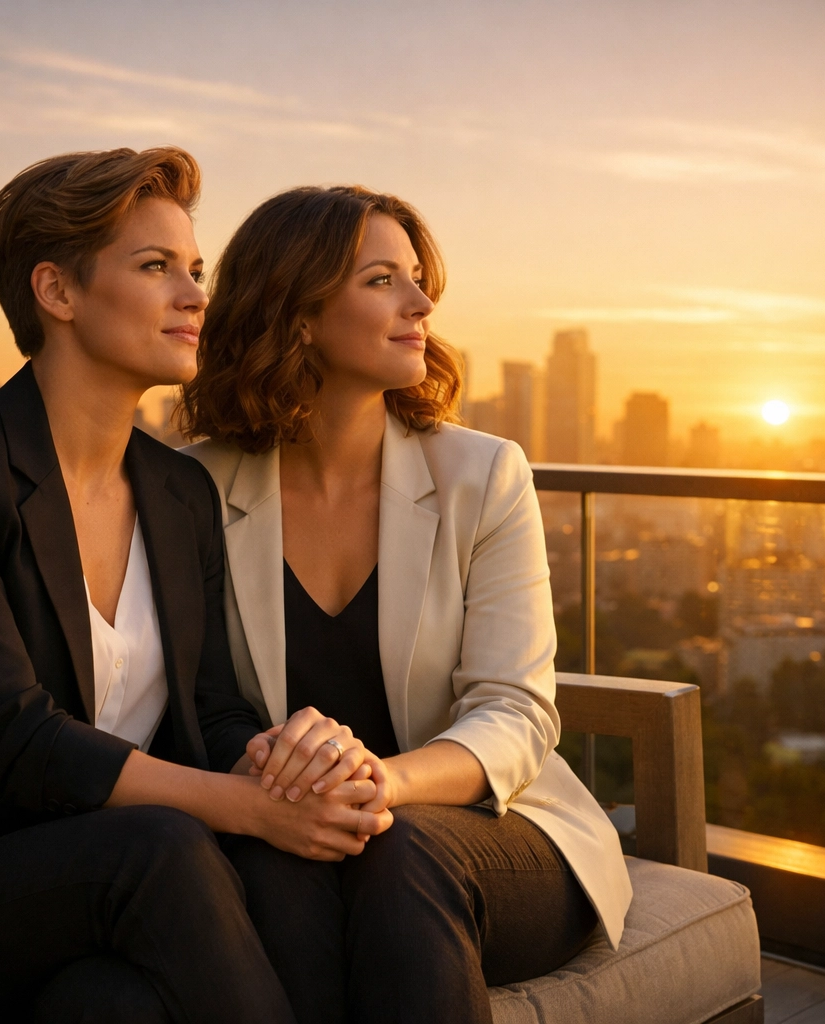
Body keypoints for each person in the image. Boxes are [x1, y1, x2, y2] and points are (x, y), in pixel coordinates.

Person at [0, 150, 390, 1024]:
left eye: (195, 270)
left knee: (124, 994)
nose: (197, 295)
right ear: (57, 291)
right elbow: (6, 737)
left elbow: (207, 708)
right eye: (157, 267)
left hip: (87, 898)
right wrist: (242, 807)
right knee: (167, 847)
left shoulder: (178, 491)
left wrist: (289, 767)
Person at [181, 184, 634, 1024]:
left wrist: (378, 782)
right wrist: (295, 788)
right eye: (384, 279)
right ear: (300, 313)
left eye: (419, 279)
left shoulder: (485, 475)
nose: (423, 304)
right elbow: (203, 703)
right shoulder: (195, 487)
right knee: (284, 878)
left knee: (402, 852)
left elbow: (514, 711)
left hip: (489, 833)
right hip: (294, 830)